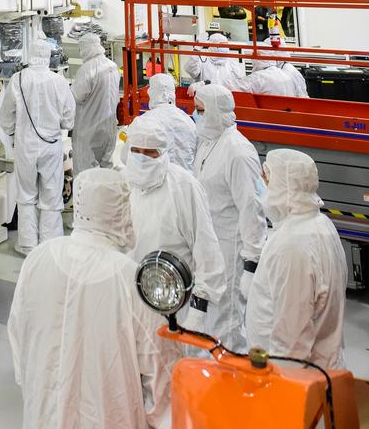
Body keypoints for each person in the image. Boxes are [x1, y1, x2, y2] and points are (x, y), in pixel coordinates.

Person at [7, 169, 170, 429]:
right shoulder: (130, 279)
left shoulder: (38, 258)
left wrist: (39, 387)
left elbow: (19, 333)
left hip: (44, 413)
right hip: (109, 417)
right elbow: (160, 367)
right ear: (121, 210)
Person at [246, 150, 346, 366]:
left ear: (286, 186)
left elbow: (291, 344)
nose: (263, 184)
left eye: (268, 178)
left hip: (295, 379)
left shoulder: (291, 245)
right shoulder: (322, 224)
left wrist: (281, 386)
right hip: (323, 369)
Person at [124, 116, 225, 330]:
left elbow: (206, 248)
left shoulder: (184, 187)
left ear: (163, 153)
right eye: (136, 151)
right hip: (130, 299)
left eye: (150, 152)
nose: (142, 158)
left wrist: (199, 309)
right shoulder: (123, 183)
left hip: (173, 302)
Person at [192, 84, 266, 349]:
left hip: (231, 248)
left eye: (200, 111)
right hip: (211, 244)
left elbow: (252, 207)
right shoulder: (210, 142)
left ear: (215, 112)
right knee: (213, 319)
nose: (195, 115)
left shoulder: (237, 151)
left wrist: (251, 262)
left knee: (229, 321)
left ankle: (234, 377)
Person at [0, 38, 76, 253]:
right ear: (47, 56)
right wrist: (60, 124)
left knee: (26, 193)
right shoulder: (58, 81)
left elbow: (6, 115)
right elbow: (69, 116)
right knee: (51, 194)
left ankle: (27, 243)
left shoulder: (18, 79)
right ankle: (50, 243)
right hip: (51, 145)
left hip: (25, 146)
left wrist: (13, 131)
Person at [71, 35, 120, 173]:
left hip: (89, 130)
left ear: (86, 48)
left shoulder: (87, 69)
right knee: (107, 169)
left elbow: (76, 96)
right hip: (109, 126)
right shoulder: (112, 66)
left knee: (85, 174)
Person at [145, 73, 197, 171]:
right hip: (185, 181)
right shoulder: (188, 121)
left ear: (151, 93)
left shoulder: (144, 121)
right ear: (173, 93)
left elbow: (126, 157)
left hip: (155, 182)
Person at [184, 32, 248, 92]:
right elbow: (190, 70)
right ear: (213, 47)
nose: (225, 49)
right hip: (205, 99)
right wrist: (197, 48)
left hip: (225, 99)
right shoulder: (203, 61)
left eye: (227, 46)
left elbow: (242, 83)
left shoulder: (232, 64)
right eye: (222, 46)